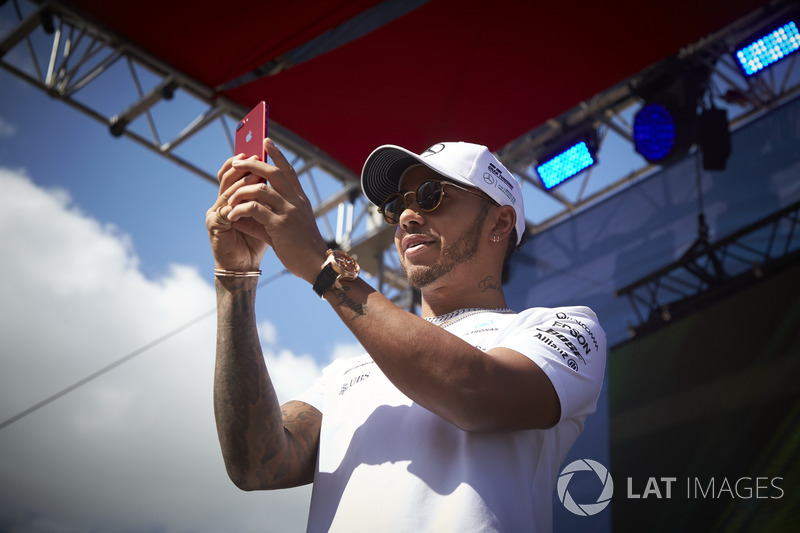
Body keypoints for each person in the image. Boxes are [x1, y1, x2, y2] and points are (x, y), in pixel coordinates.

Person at [206, 138, 607, 532]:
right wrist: (235, 279)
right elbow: (257, 465)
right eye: (397, 205)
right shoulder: (345, 375)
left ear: (500, 222)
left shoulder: (561, 327)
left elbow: (478, 395)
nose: (407, 216)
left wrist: (321, 266)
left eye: (433, 195)